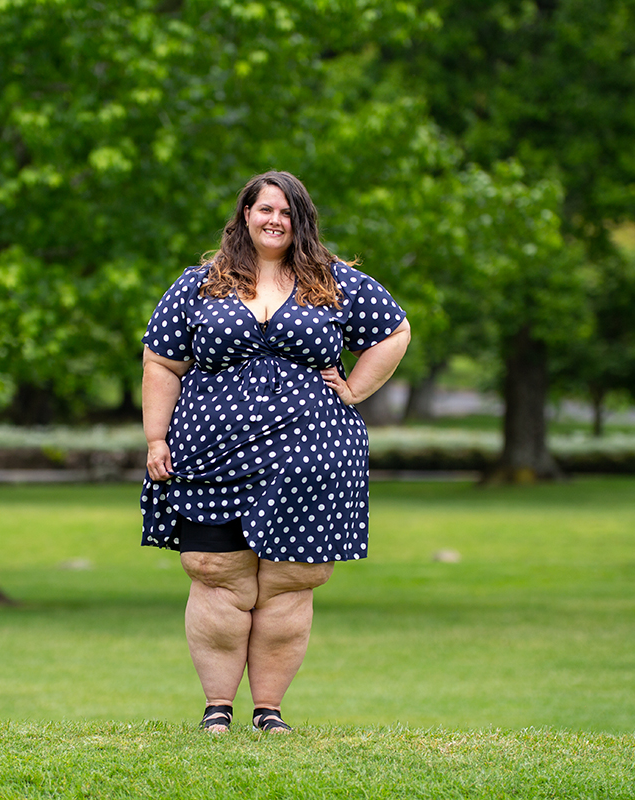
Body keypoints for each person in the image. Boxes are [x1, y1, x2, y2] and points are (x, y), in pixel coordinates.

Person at [140, 170, 411, 733]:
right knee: (215, 571)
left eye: (287, 213)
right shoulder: (197, 284)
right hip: (210, 457)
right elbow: (160, 362)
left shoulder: (336, 283)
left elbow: (395, 331)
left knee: (290, 580)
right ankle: (217, 709)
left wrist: (357, 389)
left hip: (311, 459)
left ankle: (269, 712)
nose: (275, 220)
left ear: (302, 221)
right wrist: (156, 438)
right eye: (265, 209)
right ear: (245, 214)